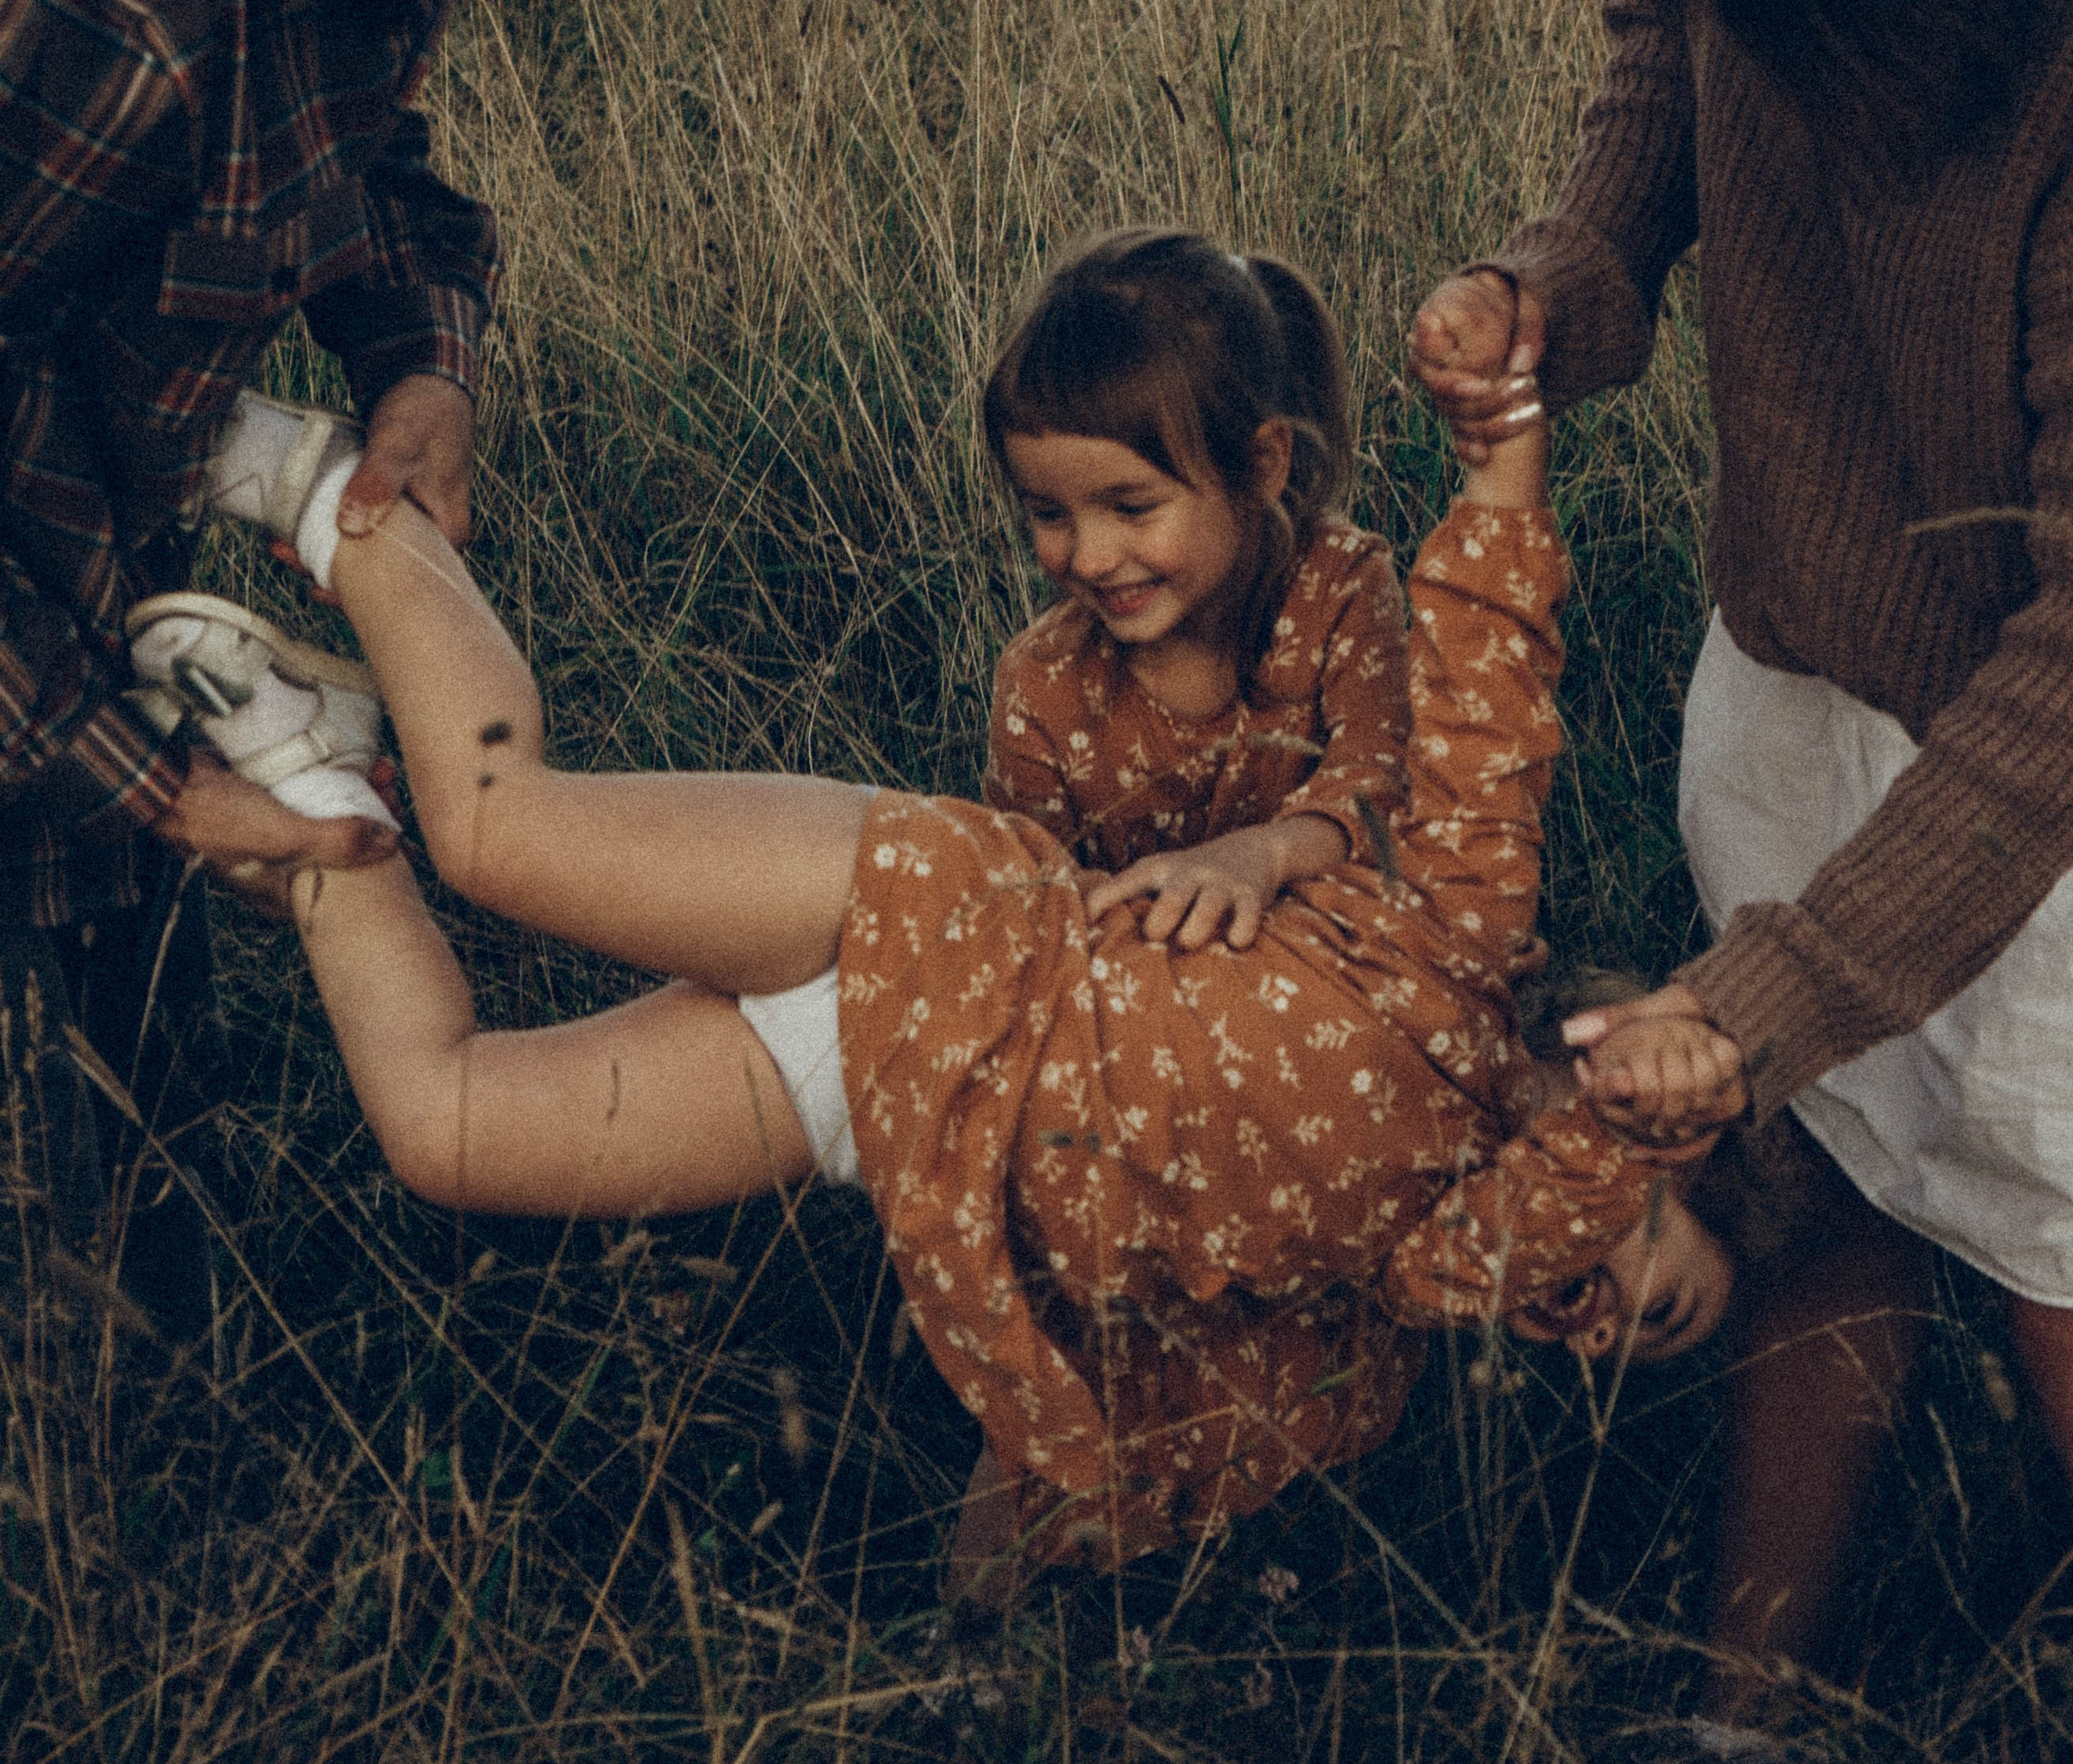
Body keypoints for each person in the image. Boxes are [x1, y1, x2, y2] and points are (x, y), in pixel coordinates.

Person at [124, 281, 1739, 1591]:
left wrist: (1012, 1570)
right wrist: (1504, 445)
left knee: (449, 1130)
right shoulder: (1448, 951)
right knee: (497, 831)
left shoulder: (1363, 1331)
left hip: (900, 1113)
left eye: (1593, 1324)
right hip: (951, 919)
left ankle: (311, 791)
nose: (1596, 1299)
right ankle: (334, 502)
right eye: (1650, 1241)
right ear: (1635, 1091)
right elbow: (1479, 687)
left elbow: (1126, 1414)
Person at [0, 0, 800, 1347]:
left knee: (132, 1224)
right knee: (67, 1301)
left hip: (75, 541)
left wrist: (415, 357)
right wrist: (139, 784)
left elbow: (346, 132)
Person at [1413, 0, 2073, 1724]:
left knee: (2062, 1244)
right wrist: (1565, 279)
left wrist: (1777, 984)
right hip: (1794, 660)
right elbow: (1659, 59)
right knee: (1821, 1187)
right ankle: (1747, 1715)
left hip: (2038, 790)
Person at [981, 227, 1409, 954]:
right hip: (1152, 1005)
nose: (1088, 558)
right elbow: (1033, 894)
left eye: (1132, 507)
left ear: (1261, 466)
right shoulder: (1041, 685)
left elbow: (1384, 782)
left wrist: (1261, 855)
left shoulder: (1338, 589)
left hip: (1344, 974)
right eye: (1049, 514)